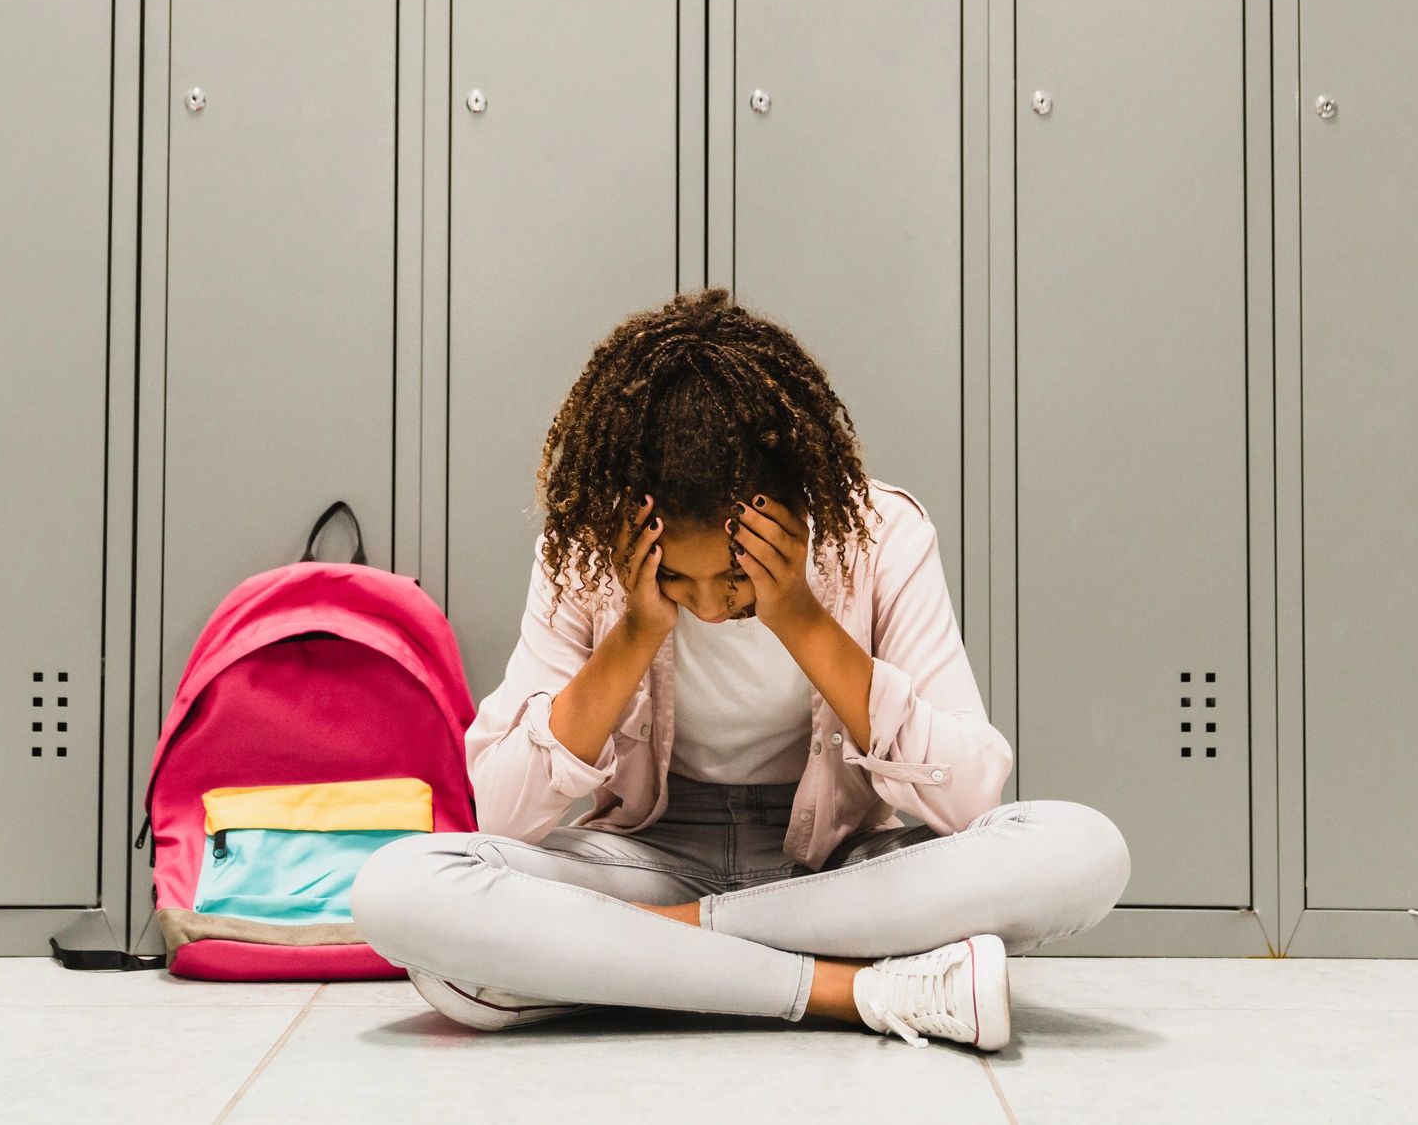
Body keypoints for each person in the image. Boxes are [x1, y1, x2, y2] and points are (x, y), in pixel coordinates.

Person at [351, 287, 1130, 1050]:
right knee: (398, 885)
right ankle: (852, 988)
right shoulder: (588, 559)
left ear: (793, 505)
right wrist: (633, 632)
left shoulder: (881, 535)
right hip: (651, 856)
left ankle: (639, 953)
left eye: (734, 578)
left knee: (1081, 849)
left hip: (836, 871)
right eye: (678, 583)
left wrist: (798, 615)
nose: (712, 609)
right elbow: (501, 810)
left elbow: (969, 795)